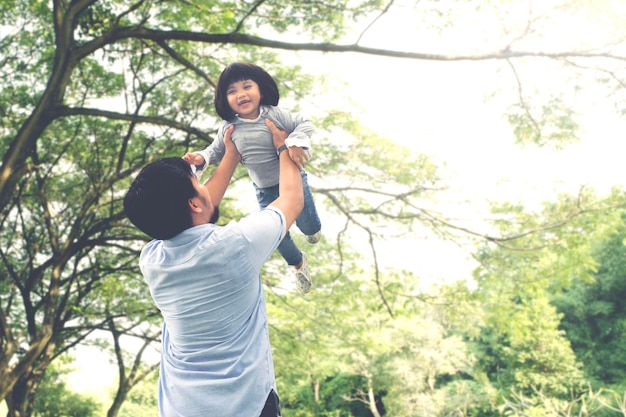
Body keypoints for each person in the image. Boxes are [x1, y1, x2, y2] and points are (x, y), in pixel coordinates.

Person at [123, 121, 303, 417]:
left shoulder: (152, 260)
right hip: (246, 405)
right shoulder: (236, 244)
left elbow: (197, 210)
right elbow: (292, 199)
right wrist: (284, 147)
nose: (202, 183)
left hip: (182, 407)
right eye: (196, 181)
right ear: (193, 201)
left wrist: (231, 154)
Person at [183, 62, 321, 293]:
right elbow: (216, 150)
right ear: (225, 99)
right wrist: (200, 157)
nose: (241, 94)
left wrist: (295, 142)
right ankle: (298, 264)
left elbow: (304, 123)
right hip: (264, 189)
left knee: (308, 225)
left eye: (247, 86)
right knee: (276, 235)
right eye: (232, 91)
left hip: (293, 180)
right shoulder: (229, 127)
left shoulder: (274, 115)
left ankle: (311, 229)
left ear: (260, 89)